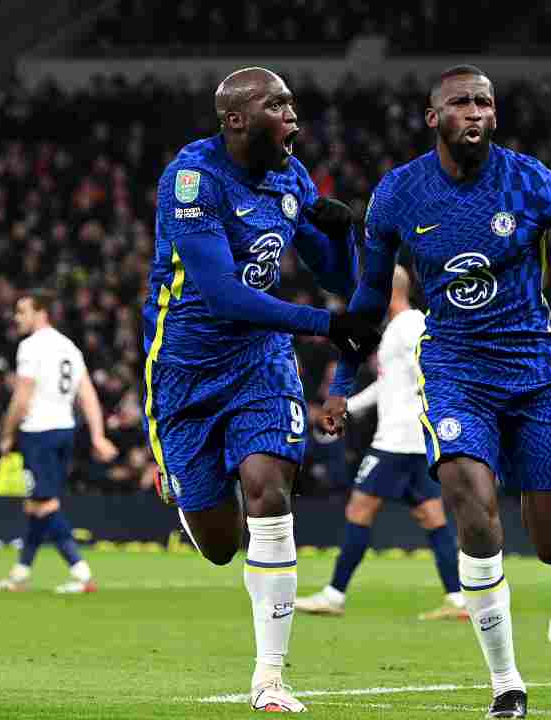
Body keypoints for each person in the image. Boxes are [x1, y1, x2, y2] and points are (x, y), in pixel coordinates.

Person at [320, 64, 551, 719]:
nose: (476, 113)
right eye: (462, 102)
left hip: (531, 374)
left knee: (550, 540)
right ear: (433, 117)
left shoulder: (531, 181)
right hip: (457, 373)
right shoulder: (397, 195)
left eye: (485, 103)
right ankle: (506, 685)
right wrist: (341, 384)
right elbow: (371, 298)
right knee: (472, 507)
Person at [142, 66, 377, 714]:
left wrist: (341, 228)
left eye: (294, 105)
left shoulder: (291, 175)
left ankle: (270, 679)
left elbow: (334, 274)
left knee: (269, 488)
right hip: (185, 369)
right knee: (220, 547)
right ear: (237, 119)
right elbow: (222, 295)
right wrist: (327, 327)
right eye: (279, 106)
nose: (294, 117)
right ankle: (181, 483)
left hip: (259, 362)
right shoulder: (192, 179)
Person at [296, 265, 469, 622]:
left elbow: (431, 370)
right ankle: (457, 598)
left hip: (396, 442)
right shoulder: (397, 329)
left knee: (359, 509)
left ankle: (334, 594)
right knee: (432, 516)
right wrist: (349, 407)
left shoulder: (410, 326)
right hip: (411, 441)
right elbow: (388, 385)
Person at [0, 288, 119, 594]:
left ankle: (81, 573)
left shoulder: (31, 347)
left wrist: (7, 434)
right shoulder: (69, 347)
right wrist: (98, 435)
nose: (17, 317)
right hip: (64, 430)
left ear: (40, 312)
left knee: (44, 504)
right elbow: (87, 394)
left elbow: (21, 400)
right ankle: (20, 574)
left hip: (39, 432)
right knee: (36, 504)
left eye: (22, 311)